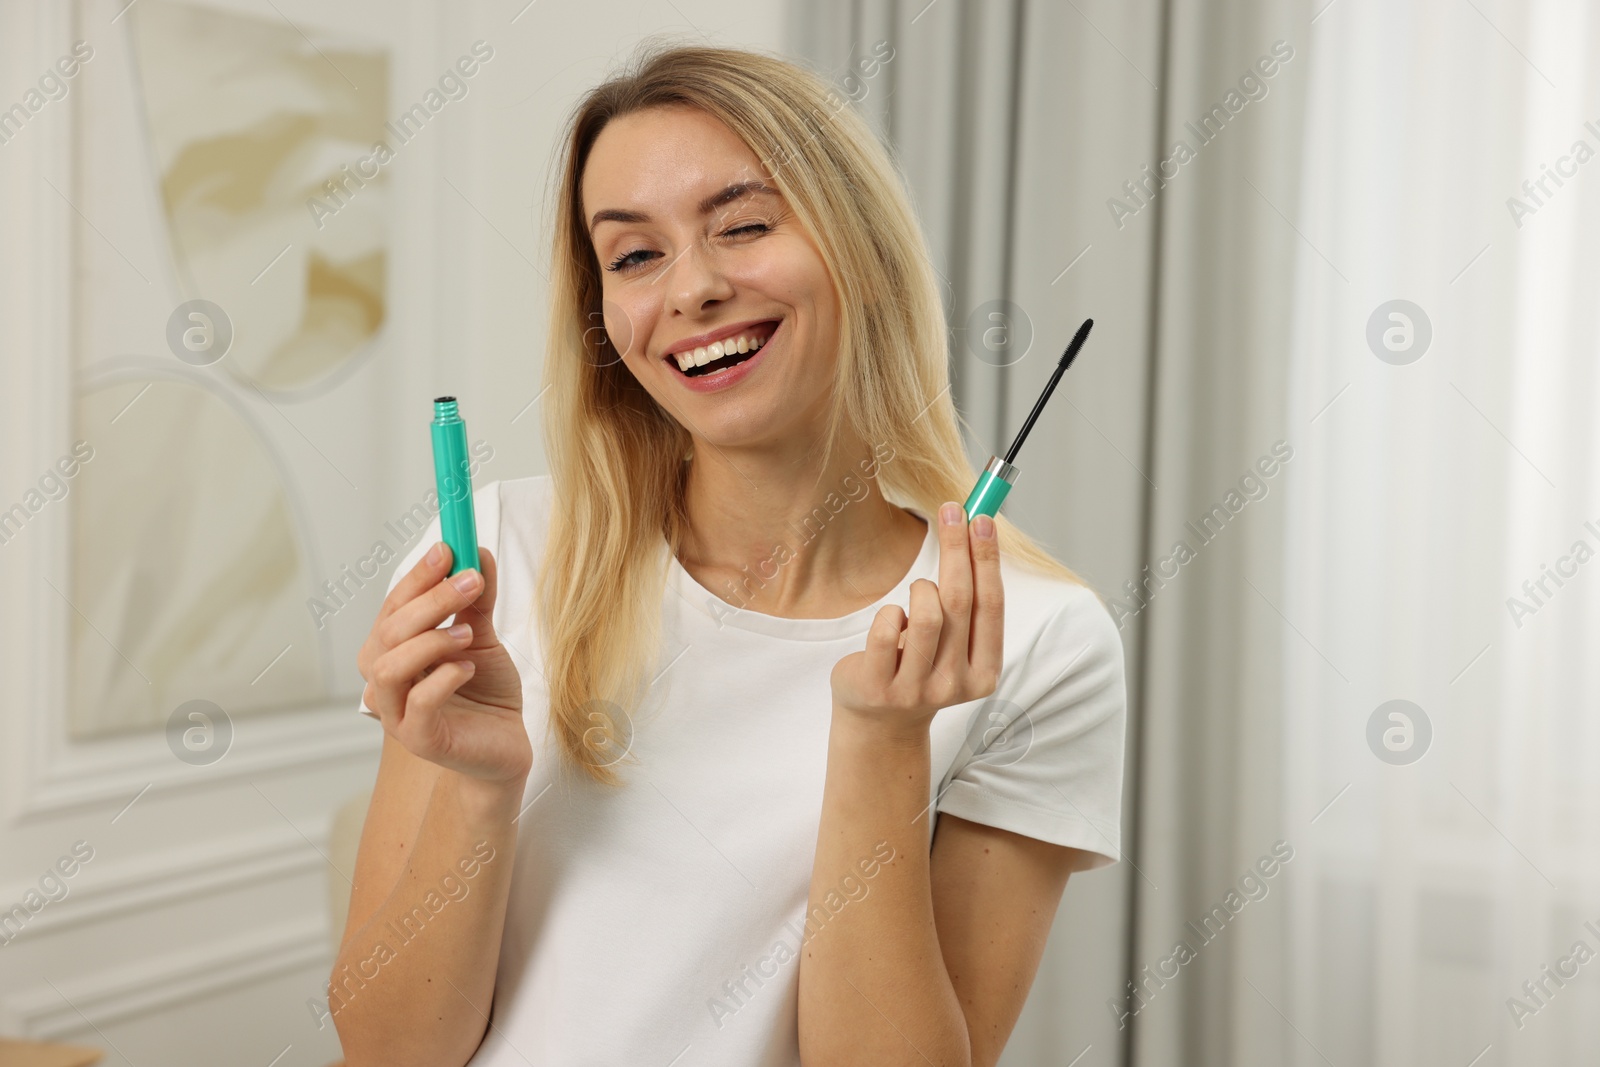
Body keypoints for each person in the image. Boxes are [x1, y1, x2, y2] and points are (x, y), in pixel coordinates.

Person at [331, 41, 1126, 1067]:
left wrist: (884, 746)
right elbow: (387, 1050)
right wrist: (478, 785)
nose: (691, 288)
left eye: (742, 226)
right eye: (633, 255)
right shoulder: (493, 556)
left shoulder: (1037, 640)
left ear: (863, 249)